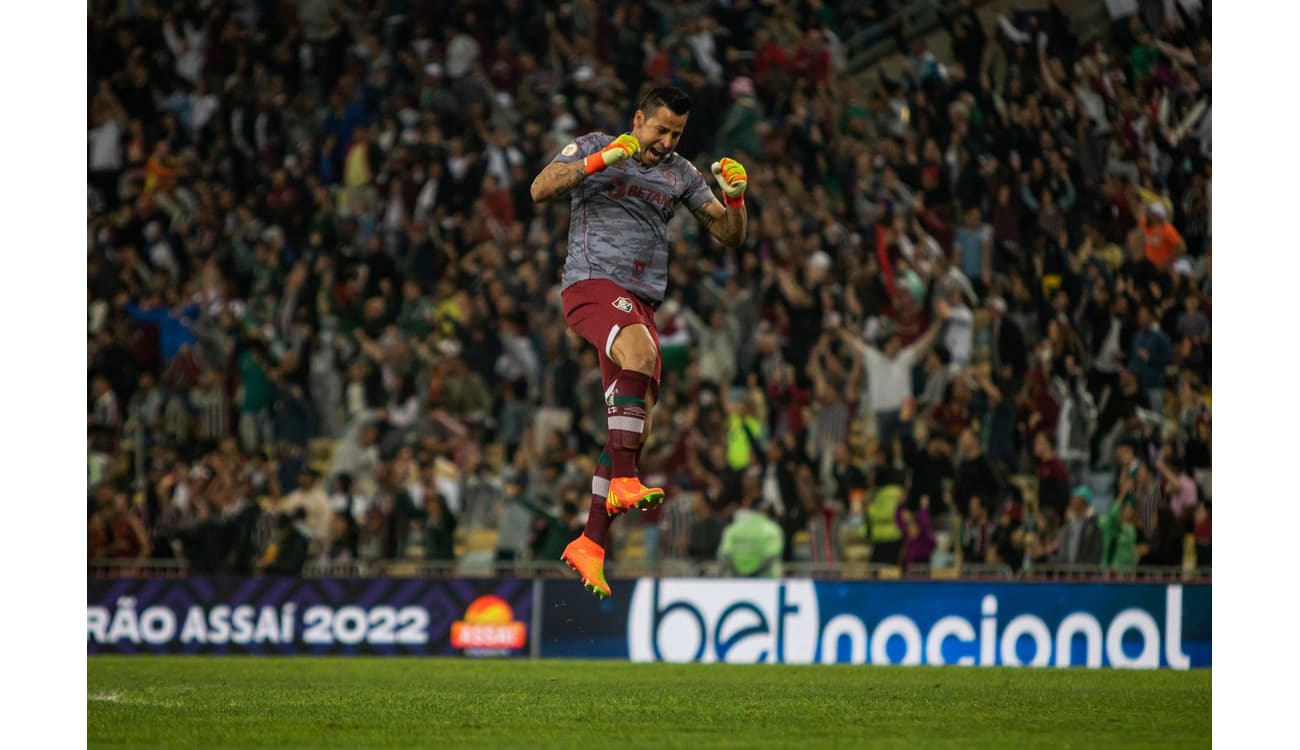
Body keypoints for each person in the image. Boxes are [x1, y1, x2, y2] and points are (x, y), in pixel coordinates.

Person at [531, 85, 751, 599]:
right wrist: (606, 157)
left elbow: (729, 233)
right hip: (591, 285)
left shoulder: (681, 174)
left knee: (636, 424)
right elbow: (541, 188)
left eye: (676, 133)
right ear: (638, 118)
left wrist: (736, 200)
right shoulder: (595, 145)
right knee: (641, 355)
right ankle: (625, 482)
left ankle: (590, 541)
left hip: (641, 302)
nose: (666, 141)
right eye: (660, 130)